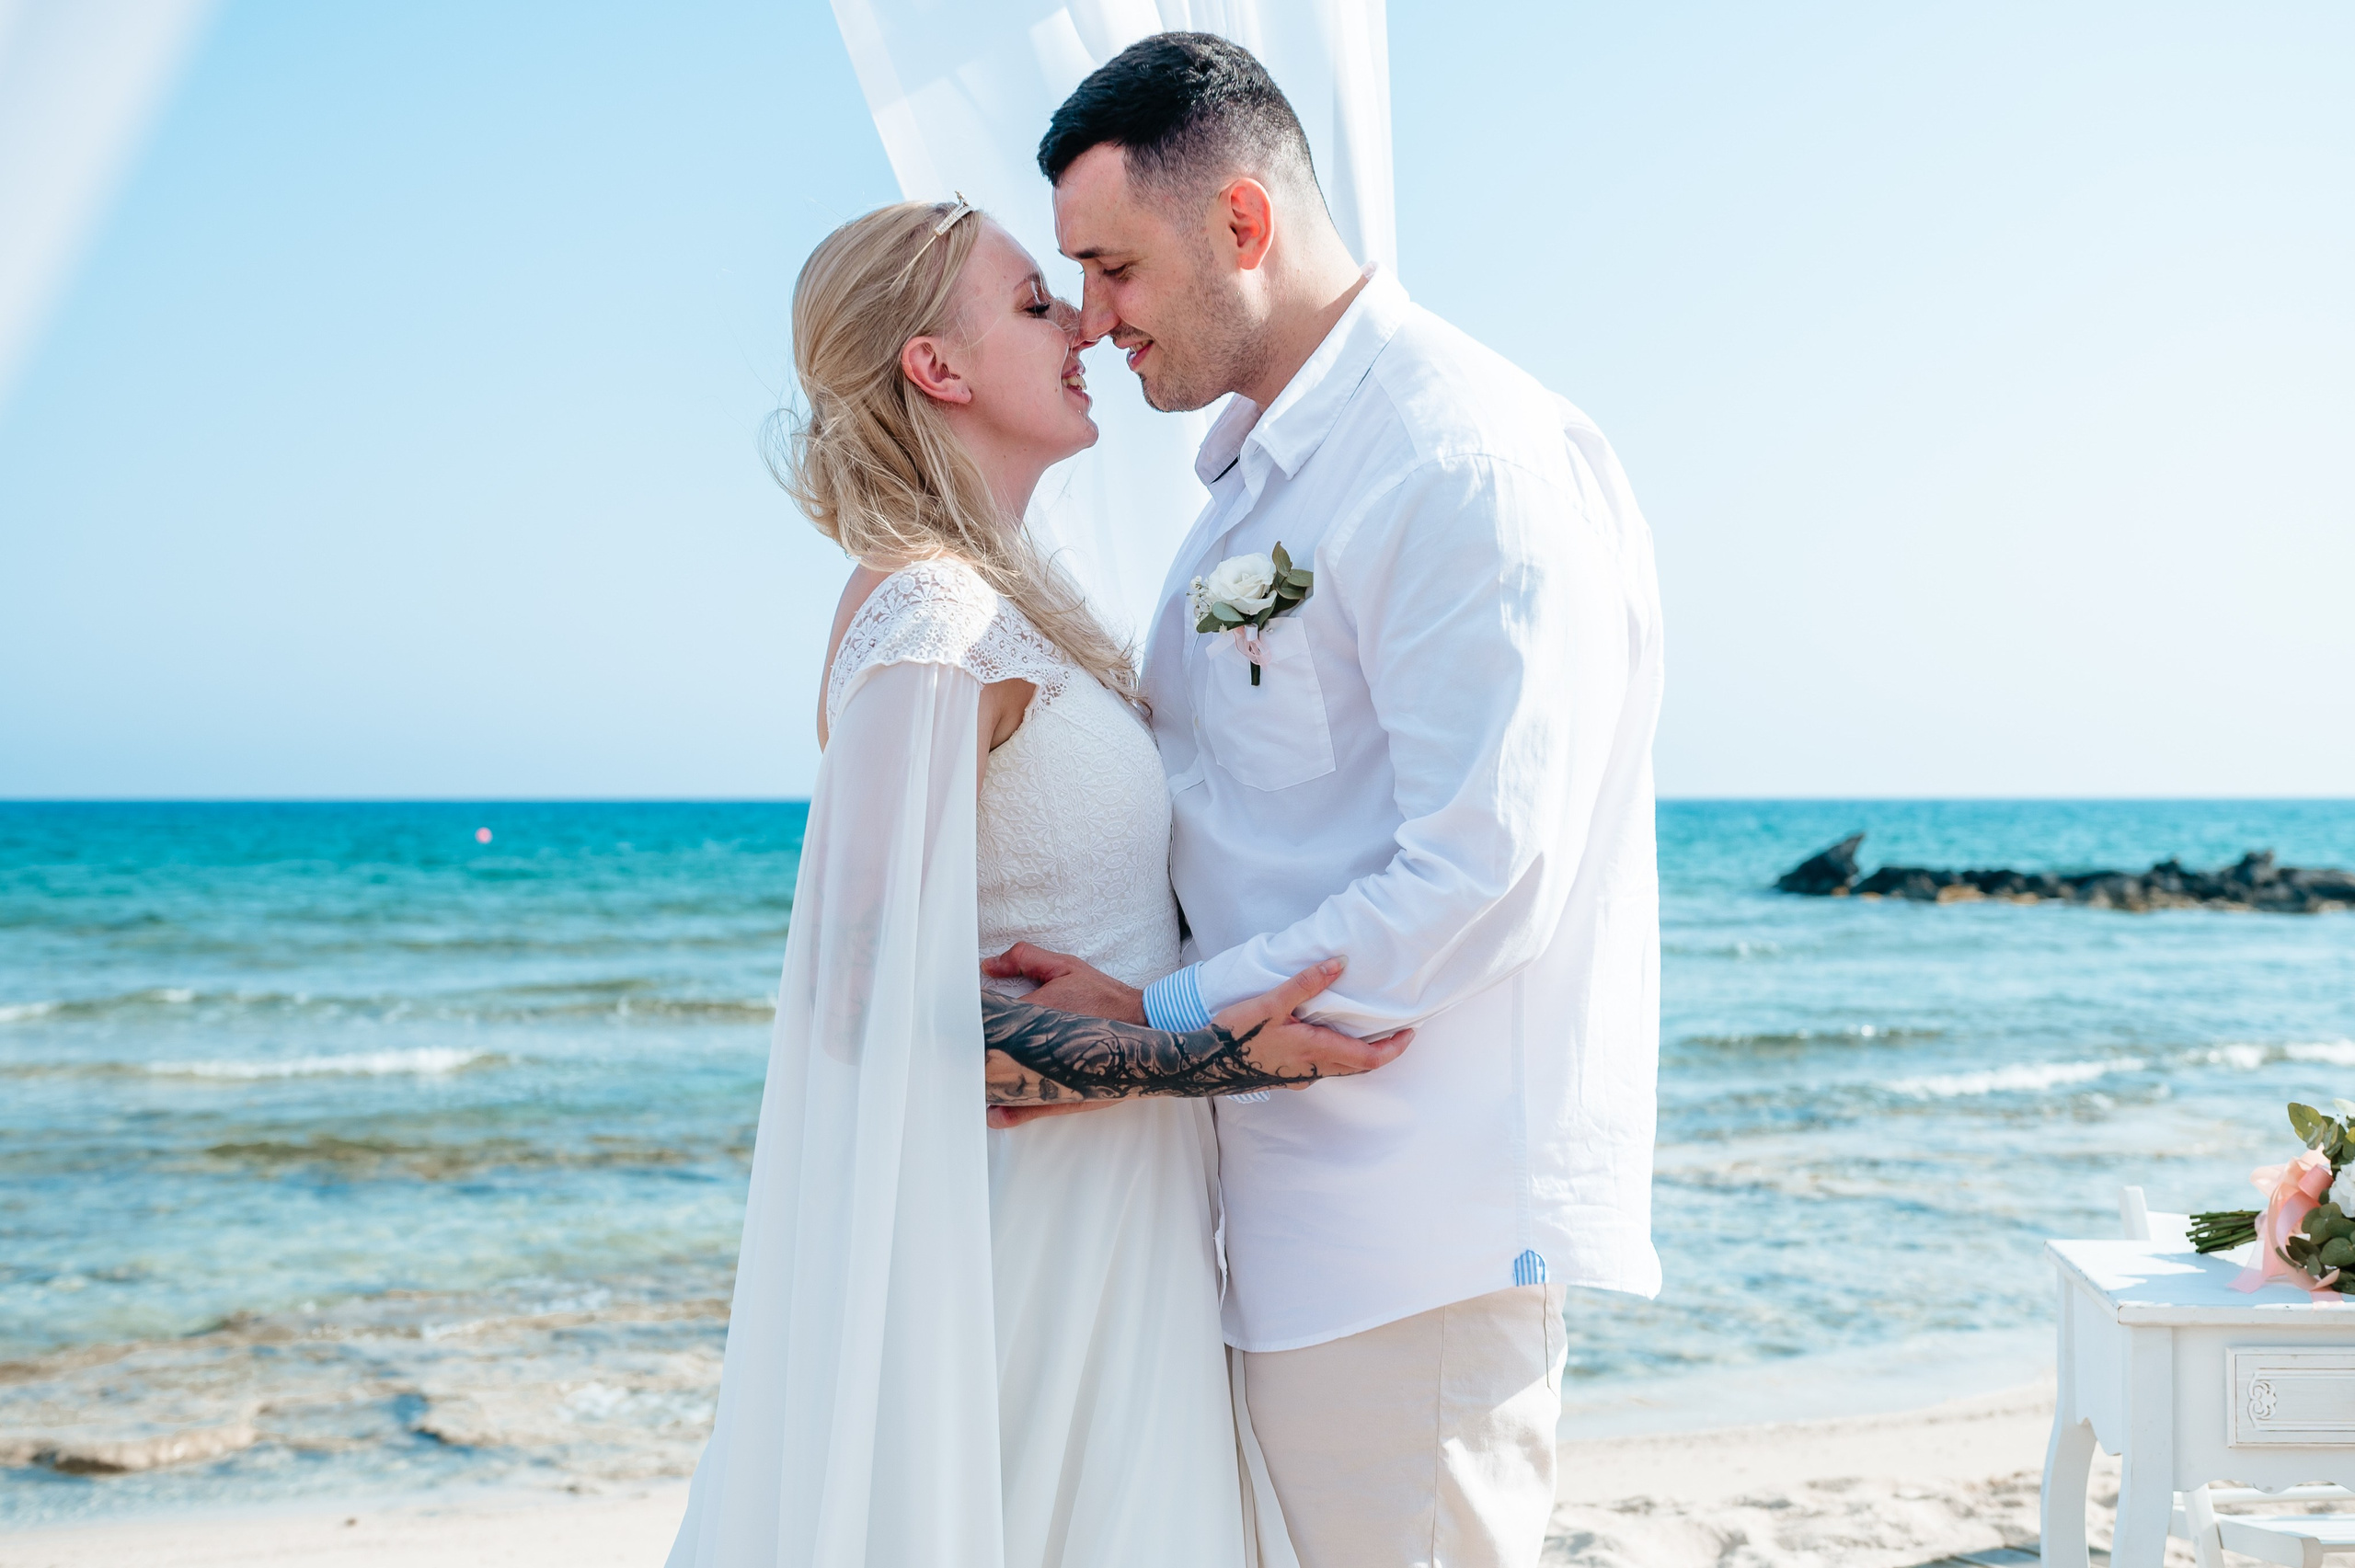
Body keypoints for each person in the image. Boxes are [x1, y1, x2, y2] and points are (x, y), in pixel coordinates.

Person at [985, 32, 1667, 1568]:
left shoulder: (1456, 458)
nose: (1095, 320)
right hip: (1279, 1215)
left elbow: (1483, 869)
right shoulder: (1266, 476)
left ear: (1242, 225)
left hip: (1406, 1225)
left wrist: (1152, 1018)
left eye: (1114, 269)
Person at [663, 196, 1409, 1568]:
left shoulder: (1020, 601)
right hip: (1021, 1251)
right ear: (936, 370)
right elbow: (861, 1008)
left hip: (1119, 1223)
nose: (1083, 321)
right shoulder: (933, 618)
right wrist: (1207, 1054)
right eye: (1030, 303)